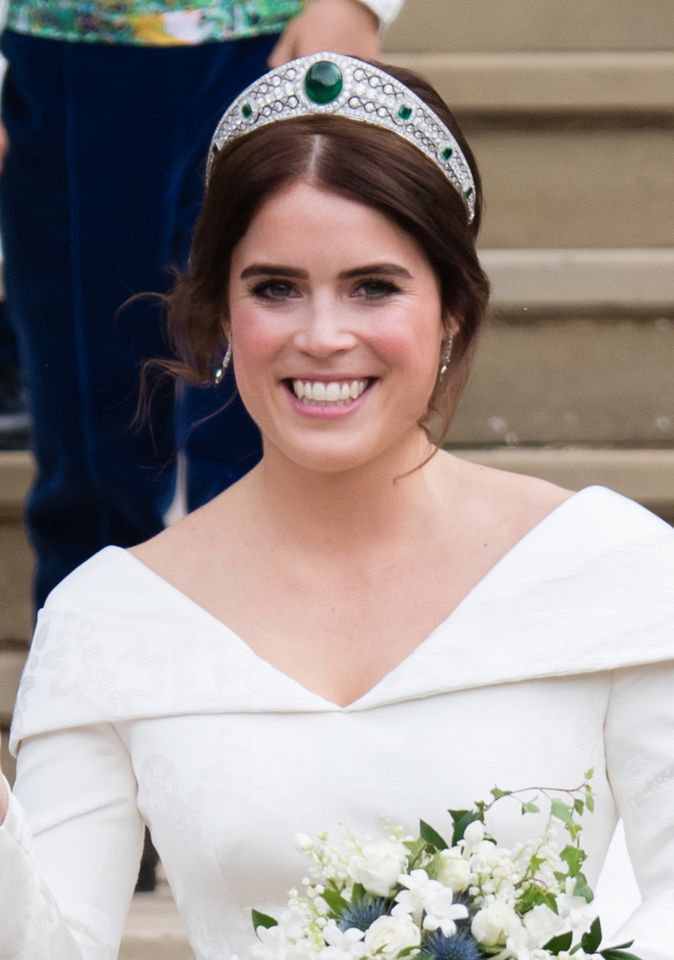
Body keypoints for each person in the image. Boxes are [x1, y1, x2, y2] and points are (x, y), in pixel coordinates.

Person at [1, 52, 674, 960]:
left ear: (450, 314)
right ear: (223, 314)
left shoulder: (611, 569)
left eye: (374, 286)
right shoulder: (110, 619)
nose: (322, 337)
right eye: (275, 288)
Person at [0, 0, 402, 612]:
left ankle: (276, 649)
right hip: (65, 56)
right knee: (89, 417)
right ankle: (92, 673)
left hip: (267, 43)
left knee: (271, 410)